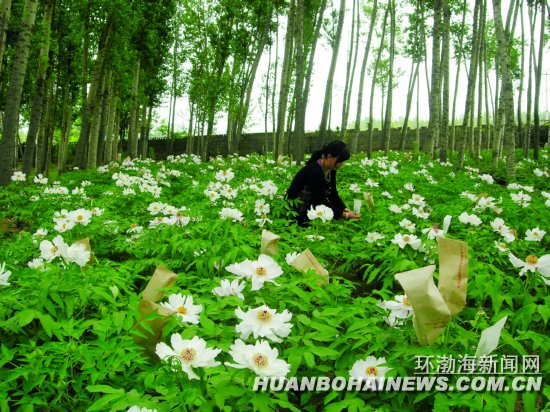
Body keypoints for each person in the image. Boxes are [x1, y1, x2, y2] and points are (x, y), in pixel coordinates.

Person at [286, 139, 361, 226]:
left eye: (343, 162)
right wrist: (344, 215)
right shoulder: (314, 171)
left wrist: (345, 209)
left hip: (310, 207)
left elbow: (332, 193)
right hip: (296, 212)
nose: (341, 164)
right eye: (339, 161)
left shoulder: (331, 170)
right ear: (329, 157)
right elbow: (319, 200)